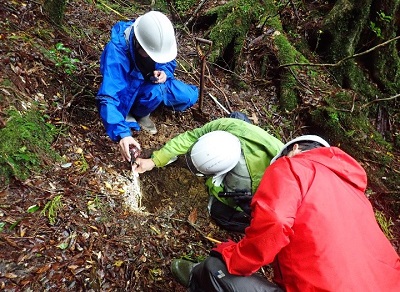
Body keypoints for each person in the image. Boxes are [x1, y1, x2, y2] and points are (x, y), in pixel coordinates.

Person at [170, 135, 400, 291]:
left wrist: (232, 256)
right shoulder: (355, 194)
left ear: (294, 149)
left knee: (215, 269)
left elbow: (277, 221)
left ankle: (195, 277)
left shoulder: (292, 166)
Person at [133, 117, 284, 232]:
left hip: (271, 193)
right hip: (255, 142)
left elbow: (225, 196)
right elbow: (191, 137)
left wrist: (212, 185)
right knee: (237, 116)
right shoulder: (228, 126)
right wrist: (155, 160)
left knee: (221, 214)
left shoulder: (244, 179)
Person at [96, 11, 199, 162]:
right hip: (126, 90)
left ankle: (143, 109)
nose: (152, 58)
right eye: (149, 54)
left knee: (188, 96)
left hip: (149, 83)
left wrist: (164, 72)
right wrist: (123, 135)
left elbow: (168, 61)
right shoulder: (117, 52)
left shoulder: (159, 40)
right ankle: (132, 114)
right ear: (138, 42)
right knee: (152, 93)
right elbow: (109, 97)